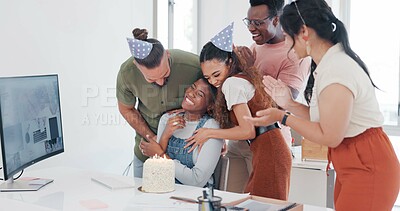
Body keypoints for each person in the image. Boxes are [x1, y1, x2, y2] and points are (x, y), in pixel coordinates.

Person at [244, 0, 400, 210]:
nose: (288, 46)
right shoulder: (328, 65)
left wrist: (282, 117)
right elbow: (322, 118)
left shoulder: (337, 69)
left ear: (304, 33)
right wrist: (288, 103)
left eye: (289, 37)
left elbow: (330, 136)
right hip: (351, 163)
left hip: (368, 165)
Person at [185, 23, 292, 200]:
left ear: (230, 62)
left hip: (270, 152)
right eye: (207, 77)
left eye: (216, 74)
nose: (212, 81)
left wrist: (208, 133)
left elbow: (247, 130)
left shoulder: (232, 84)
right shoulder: (240, 78)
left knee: (265, 206)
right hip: (268, 149)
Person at [225, 0, 311, 193]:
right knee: (230, 201)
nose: (251, 28)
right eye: (248, 22)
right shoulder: (257, 47)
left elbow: (279, 106)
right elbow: (243, 93)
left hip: (269, 139)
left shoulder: (295, 55)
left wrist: (247, 68)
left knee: (265, 204)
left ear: (276, 20)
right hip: (240, 140)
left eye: (258, 23)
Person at [116, 28, 202, 178]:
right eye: (152, 80)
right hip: (147, 154)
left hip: (186, 154)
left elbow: (213, 97)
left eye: (165, 75)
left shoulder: (194, 66)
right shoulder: (127, 73)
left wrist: (216, 135)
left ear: (167, 54)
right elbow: (126, 109)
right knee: (142, 199)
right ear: (137, 66)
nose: (161, 82)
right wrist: (151, 137)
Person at [139, 78, 223, 187]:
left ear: (210, 106)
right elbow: (157, 171)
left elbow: (197, 181)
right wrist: (165, 135)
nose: (191, 94)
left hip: (196, 198)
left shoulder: (210, 127)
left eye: (200, 94)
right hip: (165, 191)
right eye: (192, 87)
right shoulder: (167, 119)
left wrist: (160, 155)